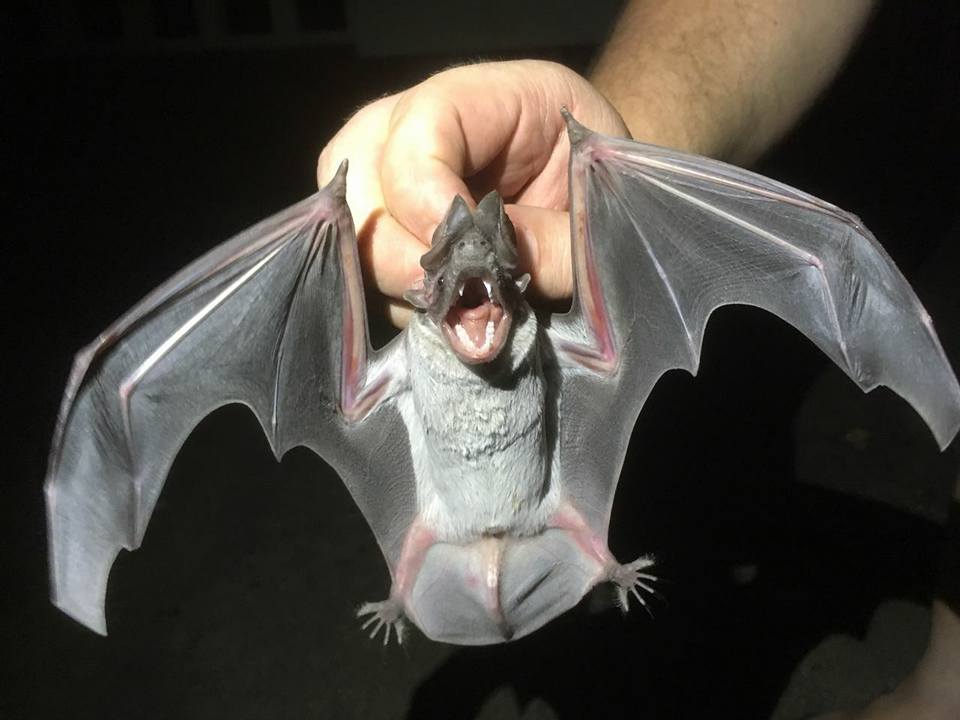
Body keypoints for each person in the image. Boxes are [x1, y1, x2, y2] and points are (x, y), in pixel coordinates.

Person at [318, 2, 960, 718]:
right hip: (445, 515)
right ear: (426, 295)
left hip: (542, 506)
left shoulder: (554, 343)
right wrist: (605, 153)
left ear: (517, 287)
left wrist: (602, 174)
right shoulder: (417, 355)